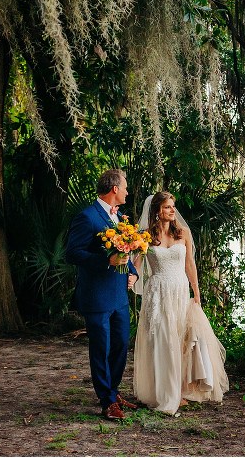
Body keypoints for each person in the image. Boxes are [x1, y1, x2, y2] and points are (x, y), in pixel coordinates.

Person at [132, 191, 229, 416]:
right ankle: (164, 394)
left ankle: (179, 390)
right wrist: (131, 277)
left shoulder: (183, 233)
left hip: (179, 291)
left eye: (173, 206)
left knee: (180, 341)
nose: (172, 211)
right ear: (157, 210)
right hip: (157, 292)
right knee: (162, 341)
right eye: (167, 207)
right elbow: (136, 265)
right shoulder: (146, 236)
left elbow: (190, 265)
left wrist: (196, 292)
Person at [66, 169, 140, 420]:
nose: (128, 191)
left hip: (119, 294)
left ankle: (114, 390)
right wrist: (105, 260)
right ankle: (106, 400)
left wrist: (133, 273)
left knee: (120, 344)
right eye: (126, 187)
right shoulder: (87, 217)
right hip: (96, 295)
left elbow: (126, 251)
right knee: (101, 347)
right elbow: (73, 253)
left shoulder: (120, 217)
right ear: (114, 189)